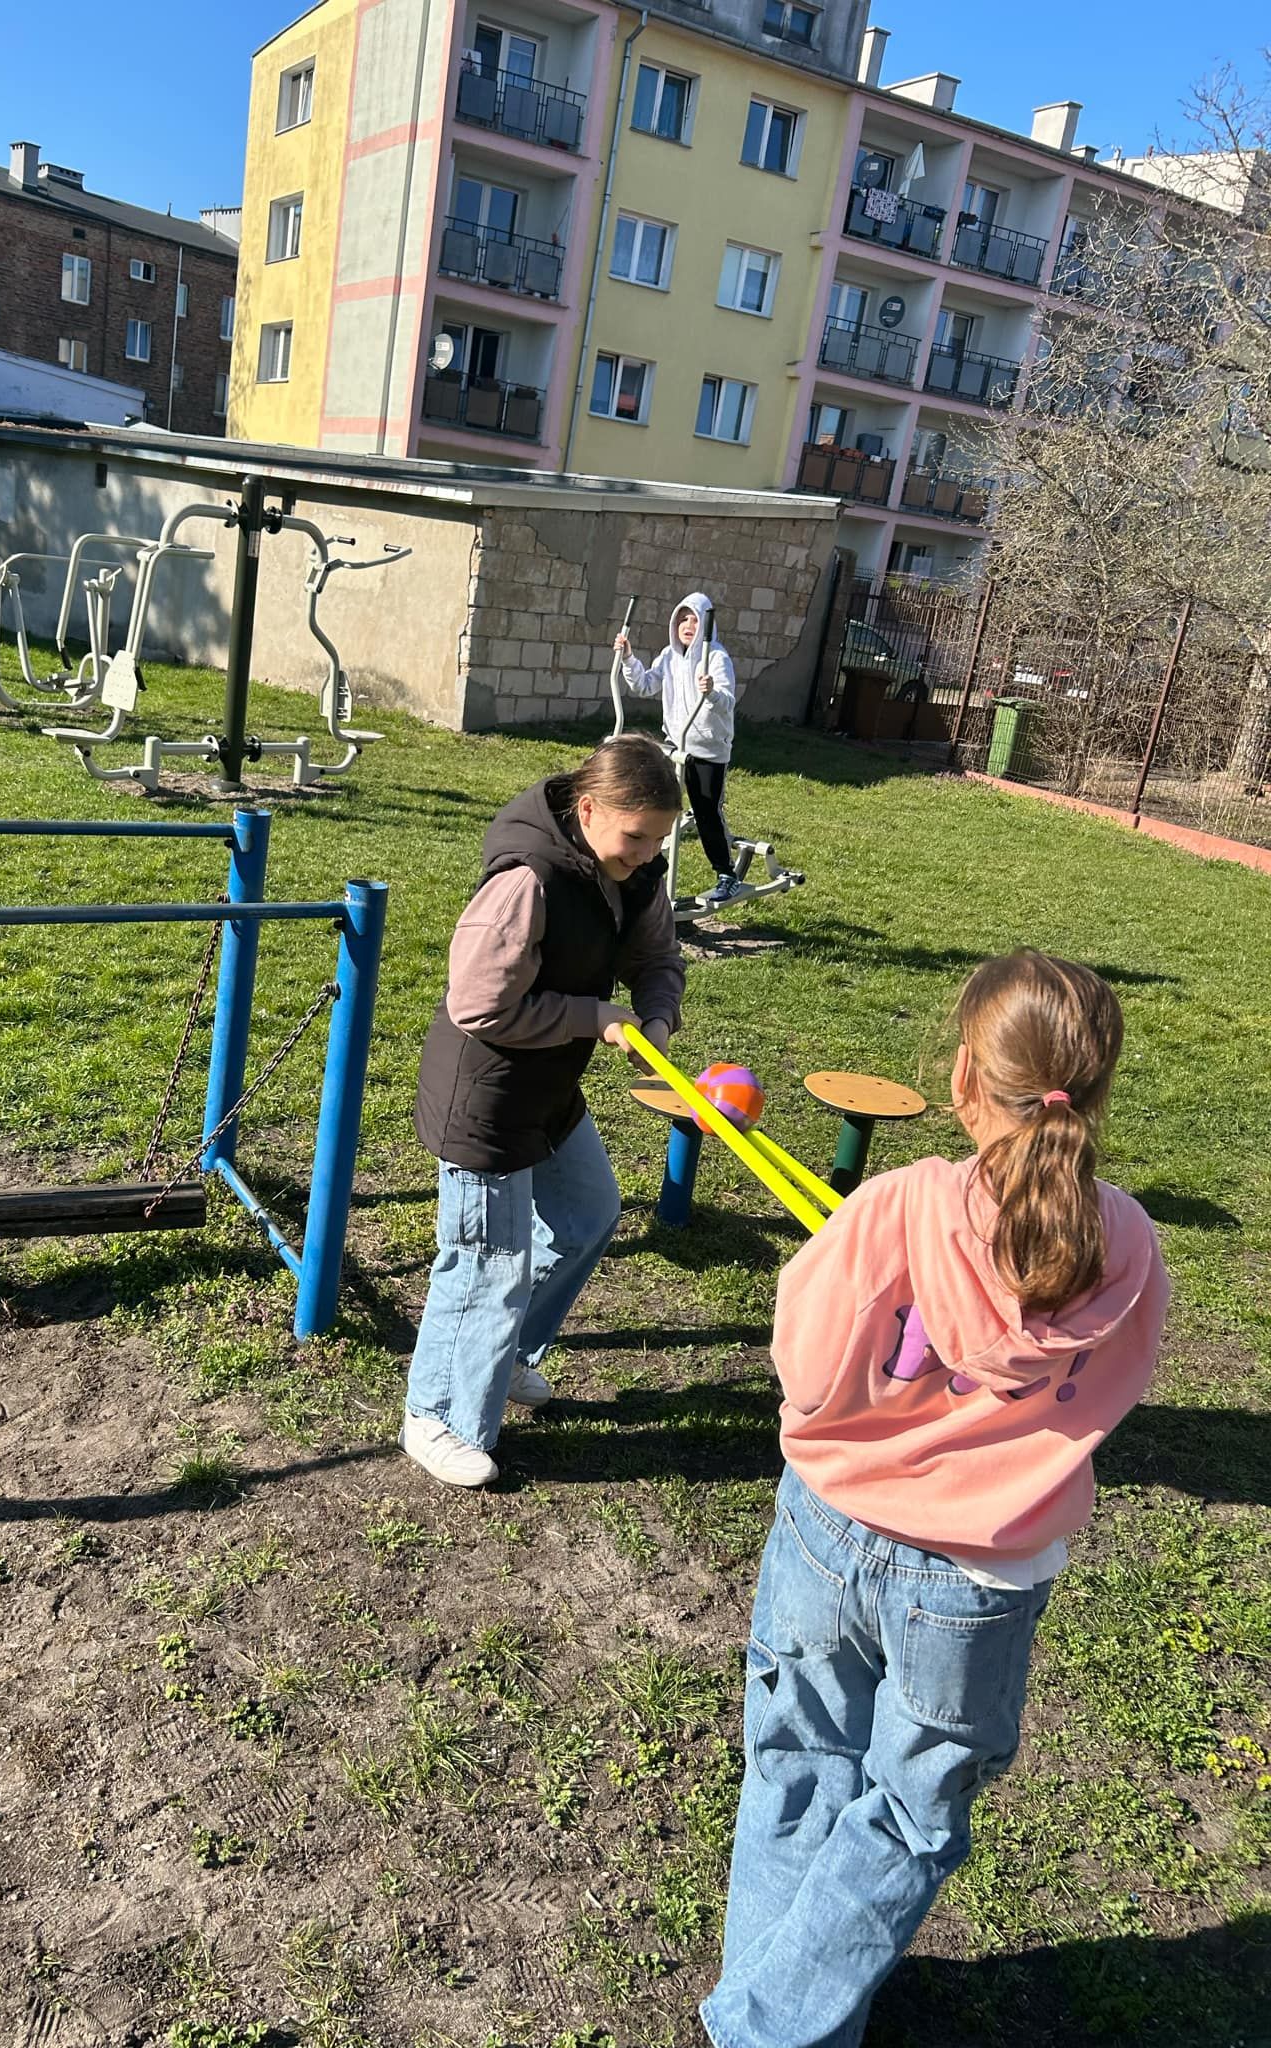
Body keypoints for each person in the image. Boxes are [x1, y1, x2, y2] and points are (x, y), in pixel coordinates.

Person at [701, 949, 1169, 2048]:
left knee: (797, 1763)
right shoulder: (1128, 1246)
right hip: (978, 1581)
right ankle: (773, 2026)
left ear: (964, 1077)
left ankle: (762, 2025)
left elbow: (802, 1361)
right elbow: (1115, 1390)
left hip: (825, 1529)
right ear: (1095, 1093)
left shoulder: (898, 1203)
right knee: (908, 1815)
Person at [402, 736, 687, 1489]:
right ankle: (436, 1415)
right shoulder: (528, 879)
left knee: (588, 1215)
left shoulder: (634, 870)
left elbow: (658, 957)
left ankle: (500, 1359)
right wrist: (593, 1017)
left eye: (659, 841)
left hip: (550, 1088)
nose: (647, 856)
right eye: (636, 837)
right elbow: (477, 1005)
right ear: (588, 810)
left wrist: (657, 1018)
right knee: (488, 1262)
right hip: (486, 1094)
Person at [615, 592, 742, 906]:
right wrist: (628, 657)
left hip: (708, 749)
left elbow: (728, 702)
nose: (687, 625)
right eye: (682, 619)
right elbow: (644, 685)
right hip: (676, 743)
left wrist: (711, 693)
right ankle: (647, 866)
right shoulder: (668, 656)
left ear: (706, 625)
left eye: (694, 619)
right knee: (658, 806)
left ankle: (726, 875)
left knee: (707, 813)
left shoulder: (716, 658)